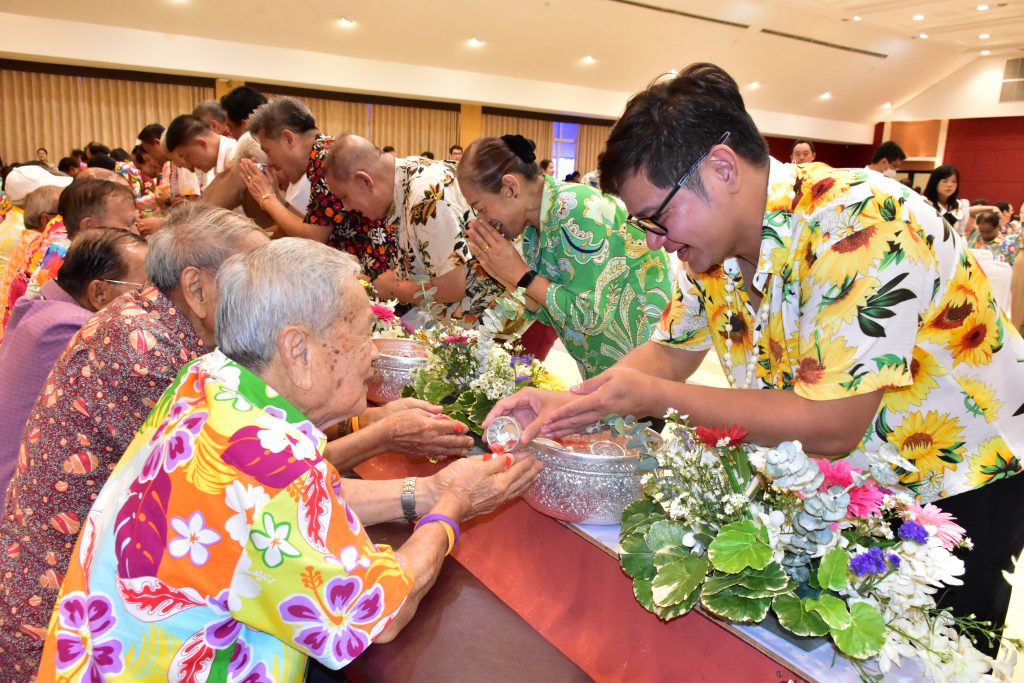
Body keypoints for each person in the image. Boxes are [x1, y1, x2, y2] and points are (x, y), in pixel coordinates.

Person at [486, 62, 1024, 642]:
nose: (651, 241)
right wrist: (569, 403)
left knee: (931, 652)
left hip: (955, 485)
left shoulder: (861, 222)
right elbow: (667, 353)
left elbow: (831, 422)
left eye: (656, 218)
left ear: (721, 168)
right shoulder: (710, 249)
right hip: (847, 481)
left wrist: (654, 398)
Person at [37, 238, 541, 680]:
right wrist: (451, 503)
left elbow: (276, 512)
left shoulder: (208, 380)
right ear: (297, 349)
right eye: (363, 333)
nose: (372, 354)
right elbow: (378, 617)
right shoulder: (269, 461)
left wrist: (423, 494)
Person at [0, 204, 267, 676]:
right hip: (63, 612)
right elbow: (239, 487)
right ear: (197, 287)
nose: (269, 297)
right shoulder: (143, 347)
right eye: (256, 281)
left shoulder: (156, 321)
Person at [458, 134, 672, 377]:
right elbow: (553, 315)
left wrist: (520, 274)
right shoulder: (533, 231)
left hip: (645, 370)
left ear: (510, 187)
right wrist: (504, 274)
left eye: (481, 208)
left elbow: (589, 317)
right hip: (607, 370)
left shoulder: (577, 208)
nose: (482, 220)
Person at [0, 228, 147, 493]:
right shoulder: (73, 328)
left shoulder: (43, 307)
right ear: (99, 293)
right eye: (145, 290)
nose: (153, 301)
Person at [323, 134, 506, 321]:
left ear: (365, 181)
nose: (346, 208)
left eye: (344, 197)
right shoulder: (405, 176)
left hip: (489, 322)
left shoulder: (424, 197)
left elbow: (452, 288)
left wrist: (392, 289)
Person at [240, 96, 393, 279]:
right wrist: (273, 197)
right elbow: (310, 224)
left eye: (268, 151)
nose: (271, 162)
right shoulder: (322, 152)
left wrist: (266, 197)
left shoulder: (326, 160)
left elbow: (313, 237)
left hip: (375, 275)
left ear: (288, 138)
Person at [0, 176, 137, 341]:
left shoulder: (58, 250)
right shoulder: (73, 262)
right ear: (90, 227)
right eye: (129, 224)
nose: (135, 231)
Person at [922, 164, 996, 237]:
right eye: (945, 181)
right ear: (935, 182)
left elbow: (968, 212)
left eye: (954, 181)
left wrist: (992, 208)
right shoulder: (925, 203)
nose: (950, 185)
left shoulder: (959, 205)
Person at [164, 114, 238, 185]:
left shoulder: (236, 157)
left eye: (187, 157)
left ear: (202, 144)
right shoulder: (212, 163)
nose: (188, 166)